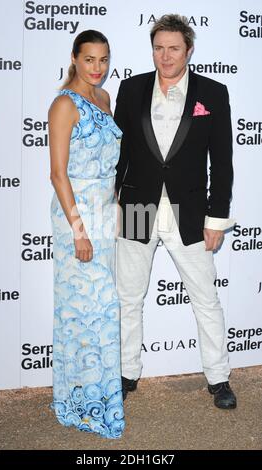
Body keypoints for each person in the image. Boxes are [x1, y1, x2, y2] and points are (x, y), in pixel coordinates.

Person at [114, 14, 237, 409]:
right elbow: (119, 154)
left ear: (189, 50)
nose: (164, 56)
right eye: (158, 47)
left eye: (173, 48)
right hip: (135, 206)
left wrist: (216, 218)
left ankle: (218, 379)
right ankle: (126, 373)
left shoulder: (213, 93)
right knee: (128, 297)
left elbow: (222, 162)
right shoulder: (131, 90)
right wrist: (113, 201)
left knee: (206, 299)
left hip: (191, 213)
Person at [48, 30, 125, 438]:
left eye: (104, 59)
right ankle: (79, 401)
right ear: (75, 58)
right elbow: (58, 174)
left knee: (104, 312)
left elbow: (111, 168)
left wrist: (113, 213)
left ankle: (99, 396)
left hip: (103, 215)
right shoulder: (64, 105)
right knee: (81, 315)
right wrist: (79, 231)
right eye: (90, 59)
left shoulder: (105, 100)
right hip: (75, 217)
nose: (97, 68)